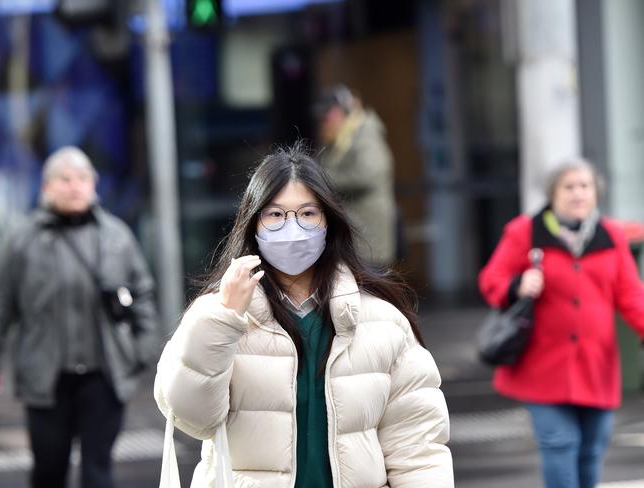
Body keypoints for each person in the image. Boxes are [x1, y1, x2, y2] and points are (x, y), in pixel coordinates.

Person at [154, 142, 453, 487]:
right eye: (276, 214)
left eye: (308, 213)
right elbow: (193, 419)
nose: (292, 228)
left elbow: (418, 446)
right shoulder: (216, 314)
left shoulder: (382, 321)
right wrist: (223, 320)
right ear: (254, 223)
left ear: (329, 221)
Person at [0, 146, 160, 488]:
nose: (74, 186)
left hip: (104, 375)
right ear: (46, 187)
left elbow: (142, 294)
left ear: (94, 185)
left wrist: (143, 353)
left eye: (83, 178)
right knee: (48, 471)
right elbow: (0, 304)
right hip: (45, 379)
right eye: (65, 179)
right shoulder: (22, 240)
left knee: (97, 471)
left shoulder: (116, 236)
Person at [478, 159, 644, 488]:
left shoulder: (610, 235)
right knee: (559, 443)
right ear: (552, 194)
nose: (578, 194)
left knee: (592, 448)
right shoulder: (524, 232)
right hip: (543, 367)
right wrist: (517, 285)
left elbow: (630, 295)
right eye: (569, 187)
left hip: (596, 367)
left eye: (585, 186)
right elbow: (491, 280)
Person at [315, 84, 398, 267]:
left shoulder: (365, 134)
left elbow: (369, 173)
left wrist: (323, 179)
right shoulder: (341, 137)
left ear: (343, 111)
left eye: (328, 115)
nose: (325, 121)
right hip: (356, 237)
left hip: (368, 239)